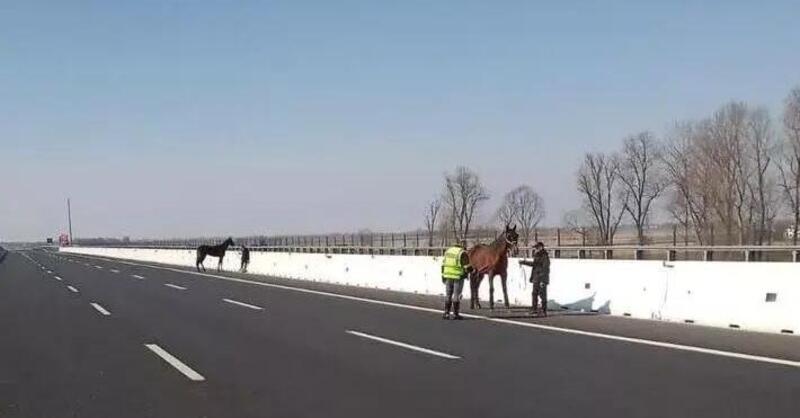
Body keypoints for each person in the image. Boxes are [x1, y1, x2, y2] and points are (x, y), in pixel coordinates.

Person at [441, 240, 473, 320]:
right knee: (456, 295)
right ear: (462, 245)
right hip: (458, 277)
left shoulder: (448, 251)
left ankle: (446, 313)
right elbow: (467, 267)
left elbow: (443, 264)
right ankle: (455, 314)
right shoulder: (462, 253)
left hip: (447, 276)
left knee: (448, 295)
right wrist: (472, 270)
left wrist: (443, 276)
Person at [519, 242, 550, 317]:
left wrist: (543, 280)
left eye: (537, 248)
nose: (535, 249)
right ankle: (534, 309)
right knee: (534, 294)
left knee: (543, 295)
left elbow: (546, 269)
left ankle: (543, 310)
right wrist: (524, 262)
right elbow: (534, 265)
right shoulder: (537, 256)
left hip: (541, 278)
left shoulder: (544, 256)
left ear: (541, 247)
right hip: (536, 278)